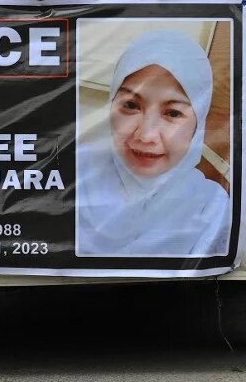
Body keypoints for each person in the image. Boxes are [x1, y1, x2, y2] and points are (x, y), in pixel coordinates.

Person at [76, 29, 231, 257]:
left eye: (173, 113)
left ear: (198, 124)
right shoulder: (74, 173)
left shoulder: (211, 207)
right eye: (130, 105)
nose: (146, 135)